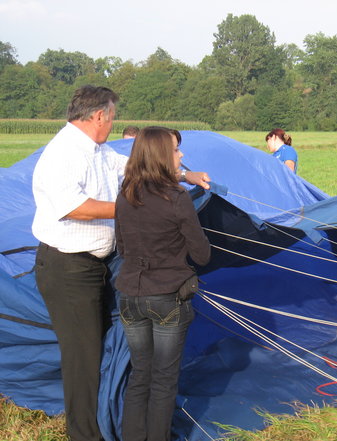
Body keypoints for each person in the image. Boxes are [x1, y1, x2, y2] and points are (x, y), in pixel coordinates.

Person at [31, 85, 210, 441]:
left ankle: (112, 423)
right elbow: (75, 207)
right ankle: (84, 436)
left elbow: (140, 168)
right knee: (83, 358)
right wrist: (147, 210)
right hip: (69, 268)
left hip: (101, 265)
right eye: (112, 117)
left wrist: (184, 176)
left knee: (104, 348)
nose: (113, 124)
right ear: (99, 116)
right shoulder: (62, 154)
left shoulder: (98, 150)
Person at [115, 127, 211, 441]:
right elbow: (202, 254)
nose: (181, 155)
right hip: (167, 297)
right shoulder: (176, 197)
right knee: (164, 380)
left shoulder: (126, 193)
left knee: (140, 374)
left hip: (130, 296)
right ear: (160, 155)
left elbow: (122, 248)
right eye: (175, 150)